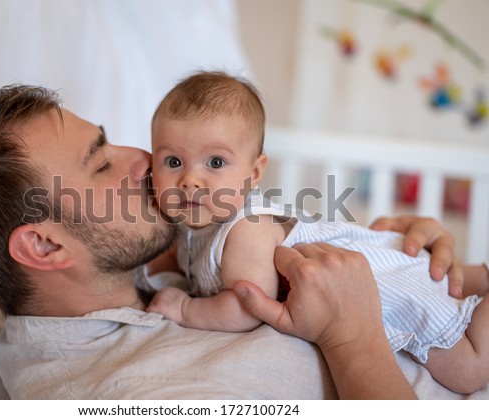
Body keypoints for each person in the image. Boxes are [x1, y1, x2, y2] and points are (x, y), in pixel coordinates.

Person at [0, 84, 464, 399]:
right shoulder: (137, 395)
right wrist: (354, 340)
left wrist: (393, 258)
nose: (145, 162)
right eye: (102, 164)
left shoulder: (146, 274)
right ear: (47, 247)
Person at [146, 71, 489, 394]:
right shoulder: (193, 228)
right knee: (456, 283)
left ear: (253, 173)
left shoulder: (244, 232)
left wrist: (185, 310)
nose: (190, 180)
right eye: (173, 162)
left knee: (469, 369)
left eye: (216, 163)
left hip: (382, 287)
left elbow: (248, 307)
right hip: (376, 266)